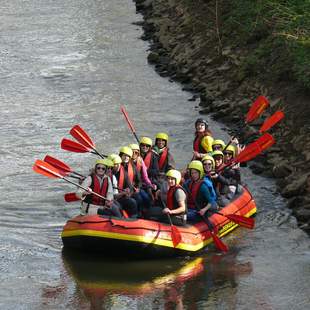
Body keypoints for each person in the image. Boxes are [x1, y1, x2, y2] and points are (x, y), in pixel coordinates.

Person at [109, 152, 139, 218]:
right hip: (109, 198)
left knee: (132, 202)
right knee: (117, 207)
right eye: (114, 164)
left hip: (119, 196)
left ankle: (134, 218)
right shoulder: (104, 172)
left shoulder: (123, 172)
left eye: (118, 164)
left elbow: (130, 187)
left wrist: (128, 192)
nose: (117, 166)